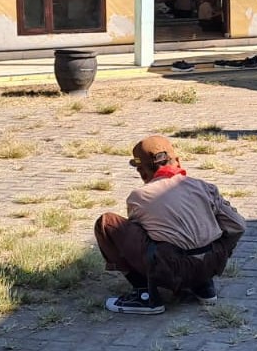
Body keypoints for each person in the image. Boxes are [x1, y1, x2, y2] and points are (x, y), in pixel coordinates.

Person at [94, 135, 245, 315]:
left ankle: (145, 295)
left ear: (142, 171)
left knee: (107, 223)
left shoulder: (139, 196)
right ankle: (203, 286)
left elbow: (139, 239)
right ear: (178, 161)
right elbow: (238, 225)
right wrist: (218, 251)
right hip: (211, 263)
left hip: (173, 268)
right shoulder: (205, 187)